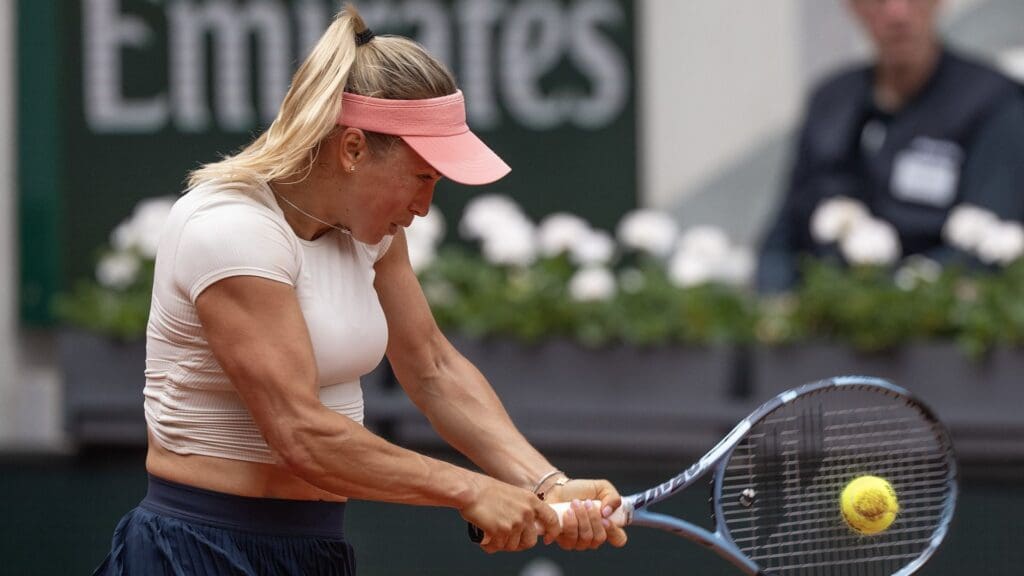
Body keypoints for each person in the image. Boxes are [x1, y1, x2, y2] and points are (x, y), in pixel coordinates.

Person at [92, 5, 627, 574]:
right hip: (198, 552)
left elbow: (432, 368)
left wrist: (546, 482)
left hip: (317, 550)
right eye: (422, 178)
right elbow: (300, 433)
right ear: (351, 149)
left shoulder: (369, 233)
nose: (424, 207)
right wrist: (470, 490)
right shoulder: (230, 229)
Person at [757, 0, 1024, 293]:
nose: (897, 12)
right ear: (854, 6)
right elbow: (782, 238)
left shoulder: (991, 102)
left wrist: (884, 302)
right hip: (822, 319)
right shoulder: (831, 102)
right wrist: (776, 304)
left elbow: (993, 244)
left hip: (931, 318)